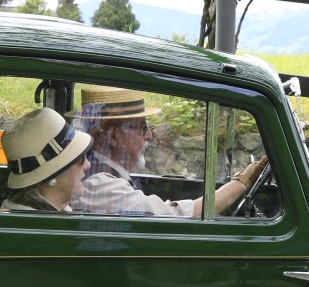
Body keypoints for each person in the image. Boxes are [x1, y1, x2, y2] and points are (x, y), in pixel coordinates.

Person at [75, 84, 268, 218]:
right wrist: (242, 181)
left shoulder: (101, 175)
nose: (149, 135)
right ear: (113, 136)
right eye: (142, 127)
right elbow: (176, 216)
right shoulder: (100, 186)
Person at [0, 107, 91, 213]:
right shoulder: (31, 221)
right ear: (52, 176)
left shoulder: (52, 213)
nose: (87, 164)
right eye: (80, 158)